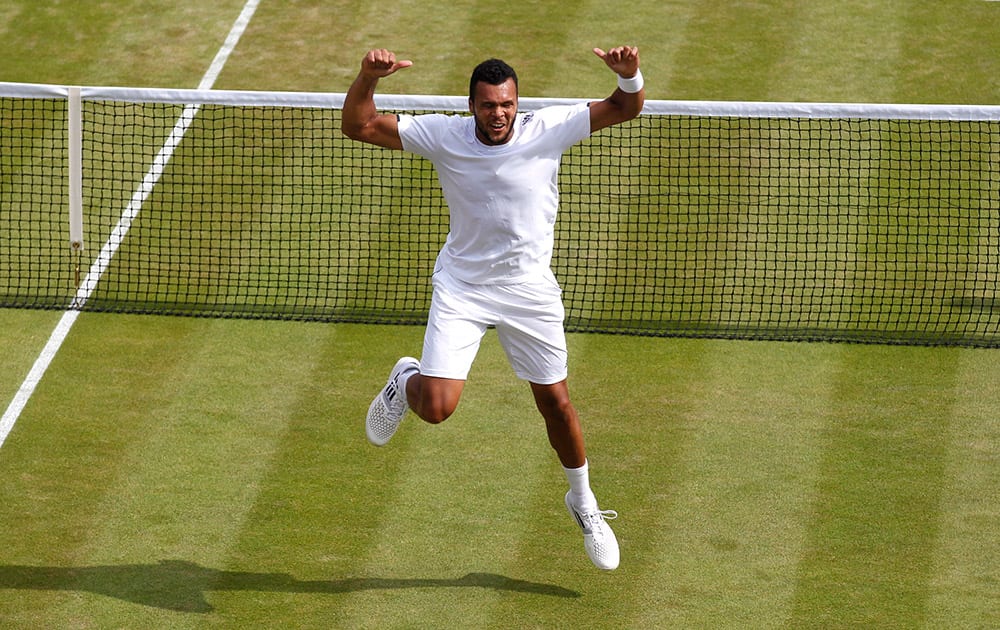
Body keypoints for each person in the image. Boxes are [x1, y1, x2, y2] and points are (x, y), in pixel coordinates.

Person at [341, 46, 644, 571]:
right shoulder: (443, 136)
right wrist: (367, 78)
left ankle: (584, 503)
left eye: (505, 104)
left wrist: (629, 75)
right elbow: (359, 126)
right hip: (463, 287)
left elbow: (623, 107)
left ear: (517, 103)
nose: (497, 114)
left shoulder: (548, 128)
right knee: (435, 408)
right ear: (471, 106)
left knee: (557, 404)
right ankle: (405, 378)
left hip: (529, 292)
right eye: (487, 106)